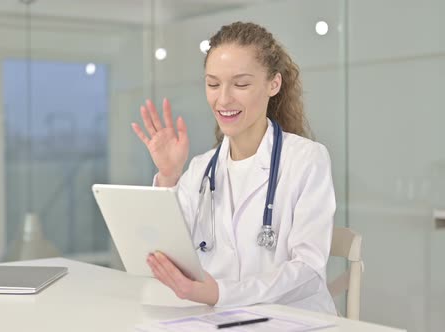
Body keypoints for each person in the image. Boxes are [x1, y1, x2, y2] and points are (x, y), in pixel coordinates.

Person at [131, 22, 337, 314]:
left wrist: (222, 292)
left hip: (291, 319)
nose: (223, 99)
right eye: (213, 84)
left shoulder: (306, 159)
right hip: (218, 318)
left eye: (240, 84)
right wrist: (168, 175)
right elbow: (163, 252)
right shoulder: (202, 168)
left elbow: (308, 270)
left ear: (273, 84)